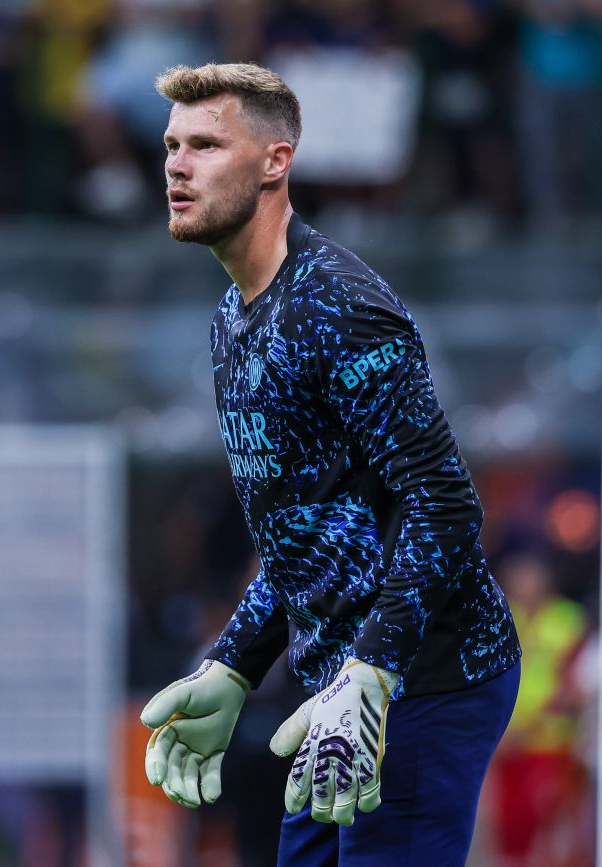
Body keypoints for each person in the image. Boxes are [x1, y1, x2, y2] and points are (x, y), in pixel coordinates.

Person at [138, 62, 522, 866]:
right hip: (333, 691)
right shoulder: (232, 319)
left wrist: (374, 669)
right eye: (173, 145)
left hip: (422, 681)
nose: (178, 165)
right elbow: (308, 537)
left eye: (207, 145)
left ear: (275, 161)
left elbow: (446, 504)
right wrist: (236, 663)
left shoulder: (339, 306)